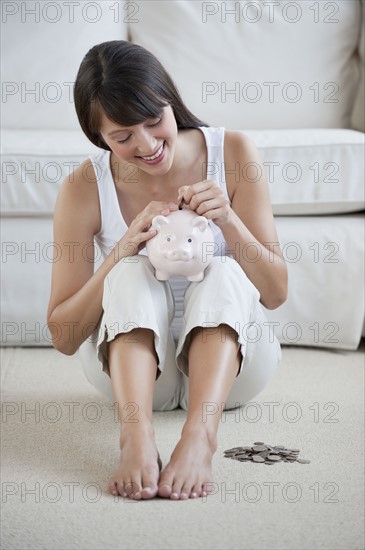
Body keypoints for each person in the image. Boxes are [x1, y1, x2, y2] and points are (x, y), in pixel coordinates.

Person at [47, 40, 288, 501]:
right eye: (122, 137)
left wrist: (229, 221)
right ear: (99, 137)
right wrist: (122, 250)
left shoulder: (233, 150)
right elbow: (63, 336)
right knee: (129, 271)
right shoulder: (83, 186)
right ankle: (135, 439)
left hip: (233, 373)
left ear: (170, 102)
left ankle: (200, 438)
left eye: (155, 120)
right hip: (136, 379)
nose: (148, 144)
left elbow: (276, 293)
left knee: (223, 271)